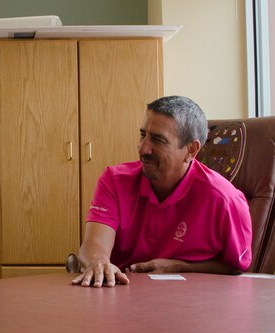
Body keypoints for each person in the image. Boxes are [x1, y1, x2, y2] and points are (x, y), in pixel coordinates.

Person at [72, 96, 252, 288]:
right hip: (120, 295)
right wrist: (98, 263)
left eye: (158, 140)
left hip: (193, 303)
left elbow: (236, 267)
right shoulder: (114, 180)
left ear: (191, 150)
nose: (143, 149)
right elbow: (93, 246)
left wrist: (179, 266)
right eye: (143, 135)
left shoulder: (226, 200)